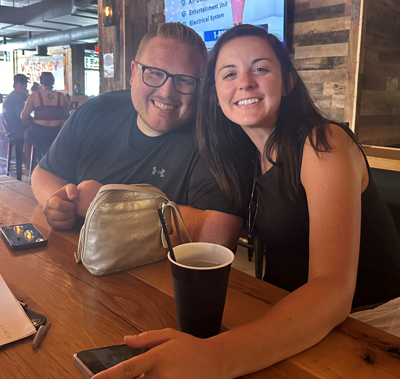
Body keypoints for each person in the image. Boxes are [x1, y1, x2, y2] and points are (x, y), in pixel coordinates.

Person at [87, 24, 400, 379]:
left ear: (287, 82)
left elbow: (334, 291)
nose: (245, 83)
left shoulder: (324, 143)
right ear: (215, 93)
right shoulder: (245, 156)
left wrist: (211, 359)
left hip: (369, 327)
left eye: (261, 69)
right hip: (291, 318)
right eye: (229, 73)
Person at [31, 23, 247, 247]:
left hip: (158, 279)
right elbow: (45, 172)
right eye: (154, 73)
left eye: (184, 80)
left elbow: (217, 233)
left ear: (200, 88)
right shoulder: (97, 110)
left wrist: (106, 208)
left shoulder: (212, 136)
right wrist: (58, 203)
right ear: (134, 72)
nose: (166, 92)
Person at [21, 72, 70, 158]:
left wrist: (30, 124)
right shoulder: (61, 96)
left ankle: (29, 167)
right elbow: (67, 116)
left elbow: (24, 116)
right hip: (56, 133)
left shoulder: (34, 96)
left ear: (41, 82)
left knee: (26, 136)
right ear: (53, 82)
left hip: (39, 132)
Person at [2, 74, 29, 143]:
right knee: (41, 133)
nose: (24, 86)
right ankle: (29, 154)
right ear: (15, 84)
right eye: (22, 84)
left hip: (9, 131)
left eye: (25, 84)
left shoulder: (10, 96)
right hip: (17, 132)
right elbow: (24, 120)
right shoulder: (17, 99)